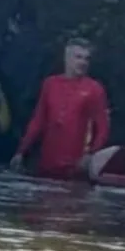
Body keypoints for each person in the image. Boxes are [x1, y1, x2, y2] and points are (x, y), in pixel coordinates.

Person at [10, 37, 110, 179]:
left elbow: (103, 128)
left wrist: (91, 155)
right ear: (67, 58)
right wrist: (21, 151)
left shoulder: (95, 89)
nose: (83, 62)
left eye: (87, 59)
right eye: (78, 57)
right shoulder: (50, 84)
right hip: (47, 163)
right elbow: (38, 121)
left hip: (75, 166)